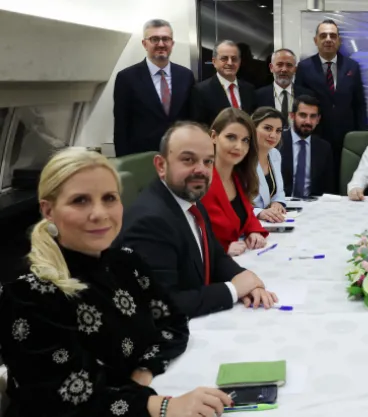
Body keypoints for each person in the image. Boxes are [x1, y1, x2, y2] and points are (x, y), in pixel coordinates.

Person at [0, 148, 233, 416]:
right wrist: (162, 406)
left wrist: (144, 369)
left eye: (109, 198)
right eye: (80, 200)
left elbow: (172, 322)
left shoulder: (126, 263)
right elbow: (62, 396)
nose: (99, 213)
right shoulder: (28, 293)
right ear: (48, 210)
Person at [116, 122, 278, 318]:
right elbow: (160, 305)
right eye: (188, 160)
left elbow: (215, 256)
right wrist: (233, 290)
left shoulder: (191, 202)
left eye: (208, 161)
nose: (201, 170)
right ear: (161, 165)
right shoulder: (149, 222)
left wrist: (243, 277)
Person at [294, 19, 367, 173]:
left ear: (339, 40)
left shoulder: (352, 66)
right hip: (316, 136)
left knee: (345, 178)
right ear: (316, 40)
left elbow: (359, 104)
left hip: (347, 138)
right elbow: (300, 104)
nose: (328, 39)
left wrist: (361, 135)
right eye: (323, 36)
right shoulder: (304, 67)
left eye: (333, 36)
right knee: (319, 178)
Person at [113, 19, 195, 156]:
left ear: (172, 43)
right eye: (154, 39)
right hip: (143, 158)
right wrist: (123, 162)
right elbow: (121, 127)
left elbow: (192, 120)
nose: (161, 44)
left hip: (180, 155)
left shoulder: (186, 76)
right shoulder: (126, 78)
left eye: (166, 39)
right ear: (144, 44)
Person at [200, 108, 269, 256]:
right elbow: (190, 233)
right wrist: (220, 250)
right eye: (231, 137)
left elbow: (246, 213)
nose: (239, 147)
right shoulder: (200, 180)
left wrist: (253, 231)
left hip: (242, 258)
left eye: (245, 140)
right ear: (213, 137)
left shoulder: (239, 176)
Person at [191, 39, 258, 127]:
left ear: (239, 62)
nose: (230, 63)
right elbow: (199, 126)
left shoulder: (249, 89)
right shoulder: (201, 91)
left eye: (234, 59)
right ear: (214, 62)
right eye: (224, 58)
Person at [280, 95, 336, 197]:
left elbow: (328, 188)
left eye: (313, 116)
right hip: (282, 202)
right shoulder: (278, 142)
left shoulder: (324, 148)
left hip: (314, 203)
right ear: (292, 116)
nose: (308, 121)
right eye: (303, 115)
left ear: (318, 119)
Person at [255, 49, 314, 123]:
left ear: (295, 69)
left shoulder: (308, 95)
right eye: (279, 65)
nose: (284, 69)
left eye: (289, 65)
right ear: (271, 67)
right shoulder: (258, 96)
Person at [251, 107, 288, 222]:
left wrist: (277, 201)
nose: (273, 135)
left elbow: (279, 190)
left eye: (278, 130)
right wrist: (259, 212)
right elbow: (232, 201)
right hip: (245, 222)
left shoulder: (275, 154)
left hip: (268, 222)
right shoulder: (241, 157)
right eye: (268, 128)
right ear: (253, 127)